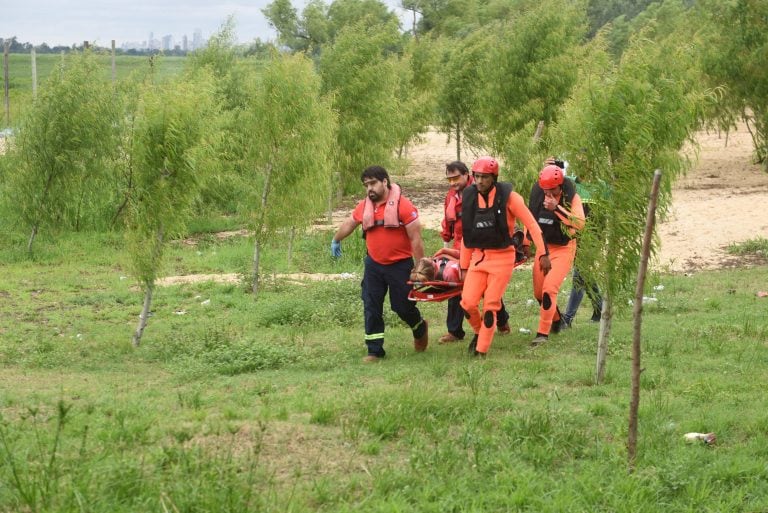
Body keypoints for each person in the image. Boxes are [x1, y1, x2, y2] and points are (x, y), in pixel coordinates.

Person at [331, 165, 429, 362]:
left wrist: (421, 268)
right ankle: (374, 351)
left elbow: (416, 239)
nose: (369, 188)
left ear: (385, 182)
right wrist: (336, 239)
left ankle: (419, 328)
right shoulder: (364, 206)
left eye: (373, 183)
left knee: (402, 307)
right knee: (371, 305)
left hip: (400, 265)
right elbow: (350, 223)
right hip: (374, 265)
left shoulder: (404, 206)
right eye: (366, 185)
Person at [459, 156, 549, 357]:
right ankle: (479, 332)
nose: (480, 181)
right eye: (477, 176)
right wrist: (464, 266)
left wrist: (543, 253)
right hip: (479, 257)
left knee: (491, 304)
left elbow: (533, 225)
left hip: (502, 258)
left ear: (494, 177)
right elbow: (467, 234)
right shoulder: (469, 197)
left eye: (485, 177)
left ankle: (481, 352)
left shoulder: (510, 197)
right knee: (467, 303)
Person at [438, 161, 511, 344]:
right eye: (449, 180)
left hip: (481, 247)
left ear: (465, 175)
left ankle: (501, 321)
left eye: (456, 178)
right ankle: (455, 331)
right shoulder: (451, 196)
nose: (453, 183)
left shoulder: (479, 191)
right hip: (460, 246)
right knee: (456, 285)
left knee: (489, 290)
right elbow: (448, 221)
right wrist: (446, 241)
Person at [528, 163, 586, 346]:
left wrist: (557, 208)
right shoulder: (538, 196)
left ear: (561, 186)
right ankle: (556, 322)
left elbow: (579, 224)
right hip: (543, 246)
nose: (549, 195)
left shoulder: (572, 197)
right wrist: (528, 244)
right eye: (545, 191)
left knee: (549, 289)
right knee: (538, 293)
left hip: (564, 247)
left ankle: (542, 334)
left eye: (553, 190)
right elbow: (530, 221)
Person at [560, 166, 603, 326]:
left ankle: (568, 318)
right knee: (585, 275)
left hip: (593, 239)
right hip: (574, 237)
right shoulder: (570, 183)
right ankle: (600, 308)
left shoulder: (602, 187)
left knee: (580, 275)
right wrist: (547, 166)